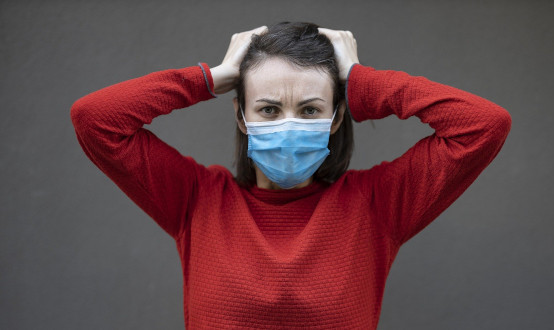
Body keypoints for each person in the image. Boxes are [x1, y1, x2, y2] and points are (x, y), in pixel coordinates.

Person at [71, 22, 511, 329]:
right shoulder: (196, 199)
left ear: (336, 118)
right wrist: (211, 77)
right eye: (267, 109)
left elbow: (483, 125)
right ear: (241, 116)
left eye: (310, 110)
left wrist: (360, 80)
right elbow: (94, 119)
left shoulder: (377, 205)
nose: (288, 124)